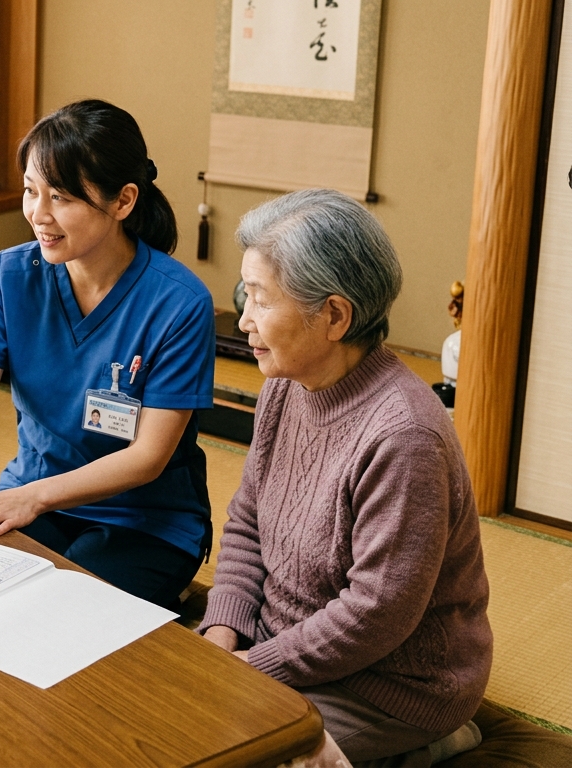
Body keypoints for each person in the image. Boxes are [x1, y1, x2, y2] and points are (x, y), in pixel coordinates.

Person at [0, 99, 216, 610]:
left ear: (124, 200)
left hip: (144, 521)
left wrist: (32, 497)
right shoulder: (9, 275)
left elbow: (148, 457)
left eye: (60, 197)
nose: (38, 215)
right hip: (32, 497)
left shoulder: (178, 303)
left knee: (56, 616)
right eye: (30, 190)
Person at [199, 189, 491, 766]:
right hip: (283, 644)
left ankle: (429, 742)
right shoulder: (286, 382)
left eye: (260, 299)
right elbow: (247, 522)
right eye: (244, 294)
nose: (245, 319)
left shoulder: (404, 435)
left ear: (334, 315)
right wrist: (220, 636)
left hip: (391, 684)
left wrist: (252, 671)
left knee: (226, 752)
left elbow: (374, 615)